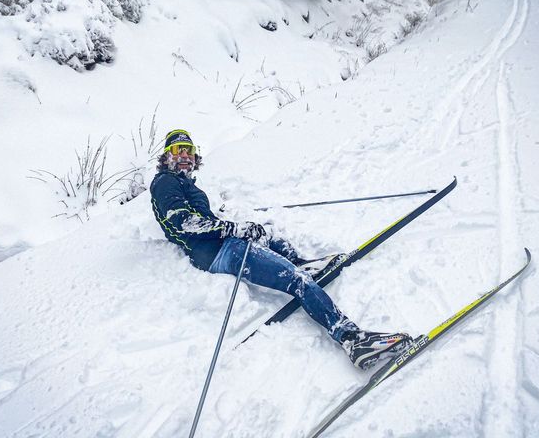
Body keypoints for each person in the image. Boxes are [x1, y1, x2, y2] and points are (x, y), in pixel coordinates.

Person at [150, 129, 411, 369]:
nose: (184, 155)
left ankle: (300, 262)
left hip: (224, 244)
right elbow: (185, 223)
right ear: (167, 157)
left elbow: (198, 217)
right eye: (177, 151)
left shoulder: (186, 184)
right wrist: (233, 229)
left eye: (188, 150)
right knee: (296, 281)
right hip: (220, 253)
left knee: (266, 232)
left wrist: (230, 222)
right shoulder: (164, 182)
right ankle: (352, 339)